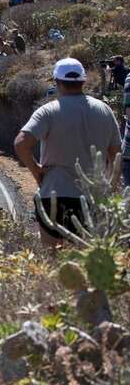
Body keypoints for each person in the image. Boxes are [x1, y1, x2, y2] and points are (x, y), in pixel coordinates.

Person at [14, 58, 121, 247]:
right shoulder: (104, 110)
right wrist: (109, 187)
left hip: (55, 195)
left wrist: (37, 170)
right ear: (83, 81)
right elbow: (116, 154)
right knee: (86, 258)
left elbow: (21, 143)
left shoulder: (48, 111)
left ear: (56, 82)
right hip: (92, 198)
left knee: (51, 258)